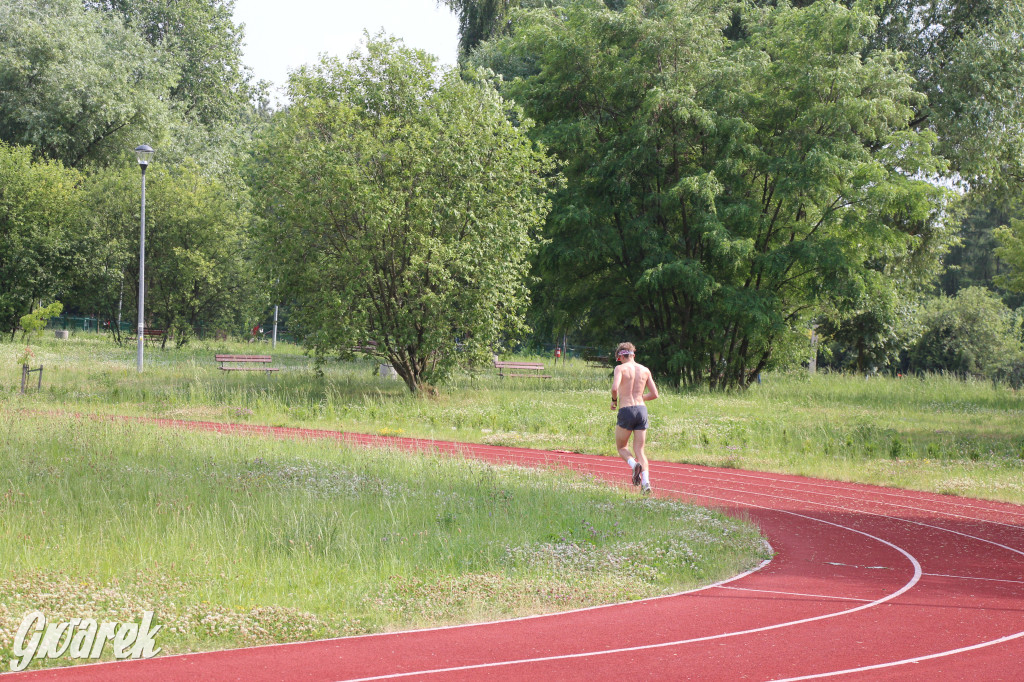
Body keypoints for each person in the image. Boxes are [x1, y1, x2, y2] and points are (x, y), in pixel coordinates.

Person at [610, 342, 658, 493]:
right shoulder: (645, 370)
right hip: (641, 409)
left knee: (622, 447)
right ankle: (646, 483)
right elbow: (654, 394)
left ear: (620, 357)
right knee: (640, 450)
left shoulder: (620, 368)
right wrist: (640, 397)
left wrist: (614, 401)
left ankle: (633, 465)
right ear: (633, 355)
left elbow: (614, 388)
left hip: (626, 410)